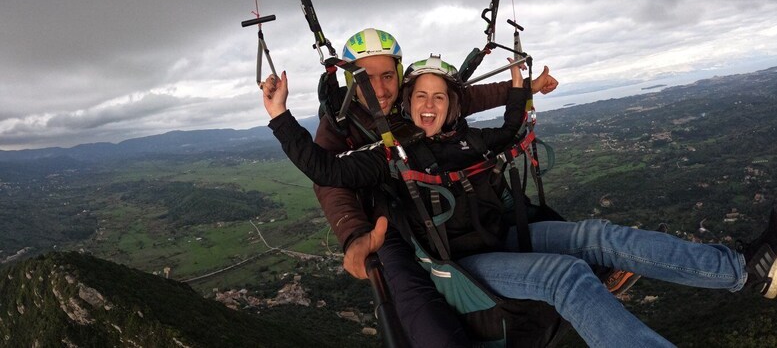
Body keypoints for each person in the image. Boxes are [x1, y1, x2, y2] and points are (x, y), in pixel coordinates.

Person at [263, 55, 777, 348]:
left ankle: (741, 271)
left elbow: (509, 130)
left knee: (597, 236)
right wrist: (281, 117)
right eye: (419, 97)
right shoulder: (388, 154)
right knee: (567, 276)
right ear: (407, 104)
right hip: (463, 260)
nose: (429, 105)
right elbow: (326, 167)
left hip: (502, 232)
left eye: (439, 97)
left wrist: (521, 90)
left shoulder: (466, 139)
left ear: (450, 105)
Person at [309, 28, 556, 347]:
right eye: (366, 78)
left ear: (398, 73)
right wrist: (354, 235)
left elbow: (470, 97)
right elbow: (330, 181)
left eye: (387, 76)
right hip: (389, 219)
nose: (381, 89)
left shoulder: (409, 100)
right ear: (351, 81)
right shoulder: (340, 123)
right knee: (409, 288)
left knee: (513, 209)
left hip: (435, 197)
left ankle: (575, 275)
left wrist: (523, 89)